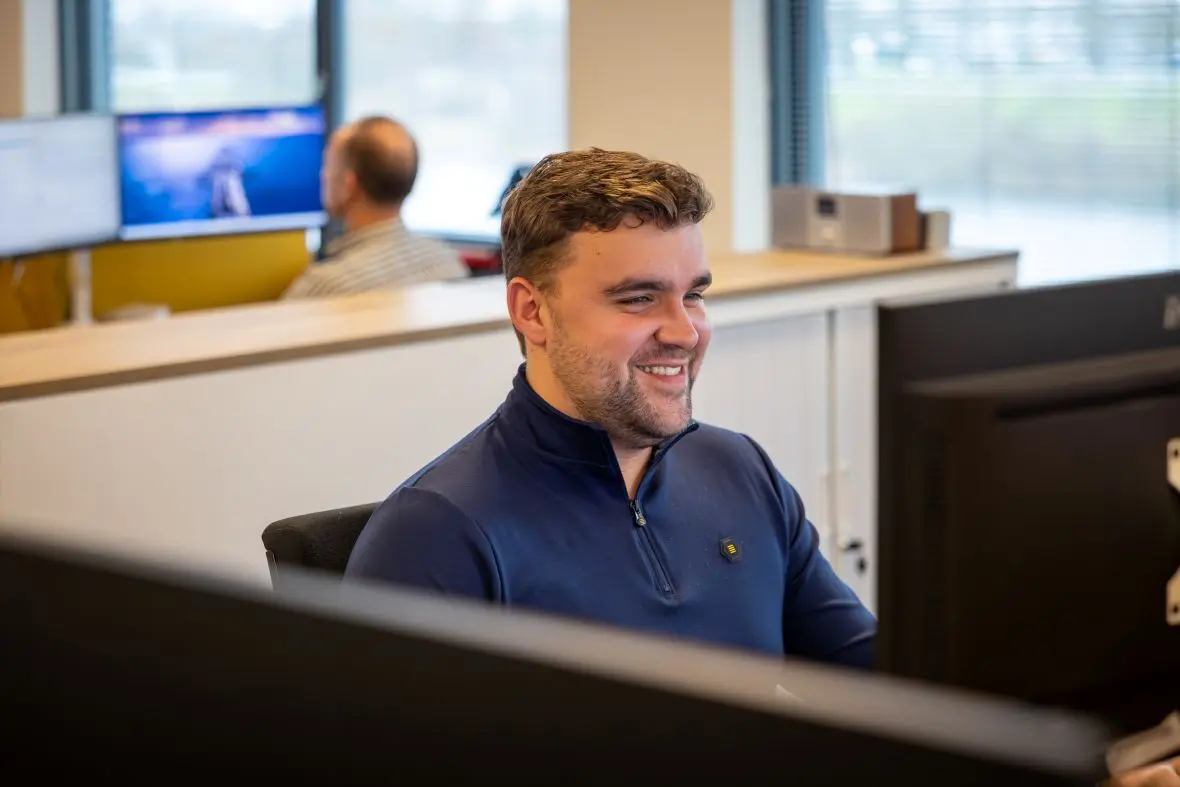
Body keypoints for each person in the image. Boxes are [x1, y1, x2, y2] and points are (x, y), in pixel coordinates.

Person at [344, 147, 876, 667]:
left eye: (693, 296)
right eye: (639, 299)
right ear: (532, 311)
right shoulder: (435, 534)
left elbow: (885, 683)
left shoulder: (740, 472)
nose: (685, 332)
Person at [282, 116, 468, 300]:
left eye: (328, 167)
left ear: (348, 186)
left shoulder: (324, 286)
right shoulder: (448, 263)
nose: (323, 175)